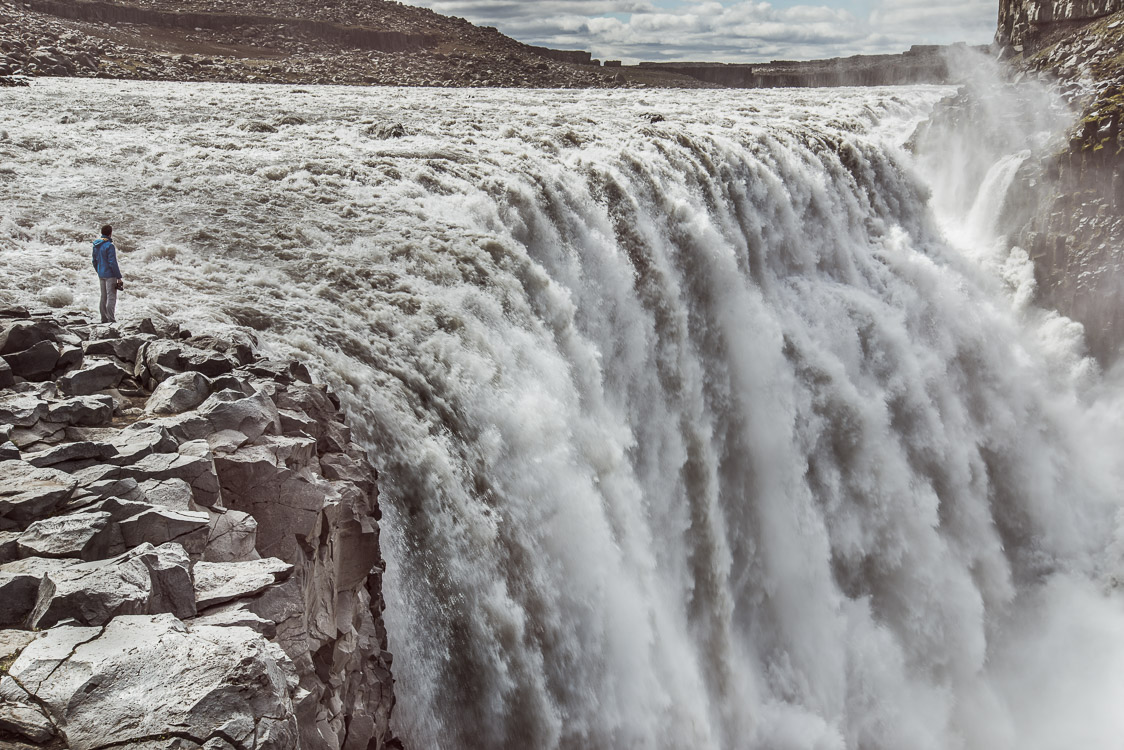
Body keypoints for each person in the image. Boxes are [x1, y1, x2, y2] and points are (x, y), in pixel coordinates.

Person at [92, 224, 124, 323]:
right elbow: (112, 263)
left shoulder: (96, 244)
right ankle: (111, 319)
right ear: (110, 233)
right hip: (110, 275)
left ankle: (103, 318)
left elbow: (94, 261)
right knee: (111, 297)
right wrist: (118, 277)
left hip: (101, 274)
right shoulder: (110, 246)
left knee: (103, 296)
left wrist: (98, 271)